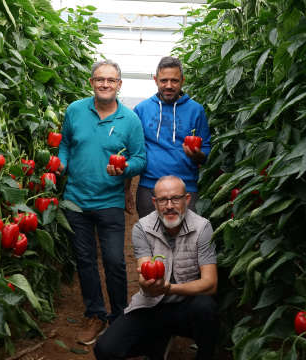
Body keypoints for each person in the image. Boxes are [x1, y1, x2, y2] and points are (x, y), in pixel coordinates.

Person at [57, 59, 147, 345]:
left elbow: (140, 158)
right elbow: (65, 144)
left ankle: (119, 317)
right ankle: (95, 313)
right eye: (100, 79)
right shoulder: (75, 110)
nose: (105, 84)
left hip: (109, 201)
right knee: (84, 260)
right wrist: (61, 163)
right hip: (76, 200)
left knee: (114, 261)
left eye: (111, 80)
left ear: (119, 85)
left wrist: (124, 169)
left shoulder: (129, 119)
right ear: (91, 82)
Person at [94, 175, 219, 360]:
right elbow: (144, 275)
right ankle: (156, 341)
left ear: (187, 199)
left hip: (187, 308)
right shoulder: (142, 228)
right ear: (154, 202)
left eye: (175, 198)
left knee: (205, 307)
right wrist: (147, 284)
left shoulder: (202, 227)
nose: (169, 205)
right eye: (162, 200)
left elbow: (211, 283)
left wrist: (170, 288)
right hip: (153, 305)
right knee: (105, 349)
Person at [131, 56, 211, 218]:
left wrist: (197, 155)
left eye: (174, 81)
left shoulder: (196, 110)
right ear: (155, 80)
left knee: (187, 240)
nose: (168, 86)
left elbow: (206, 152)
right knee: (150, 238)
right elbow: (133, 150)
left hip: (185, 188)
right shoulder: (142, 110)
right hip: (150, 188)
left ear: (182, 80)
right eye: (164, 80)